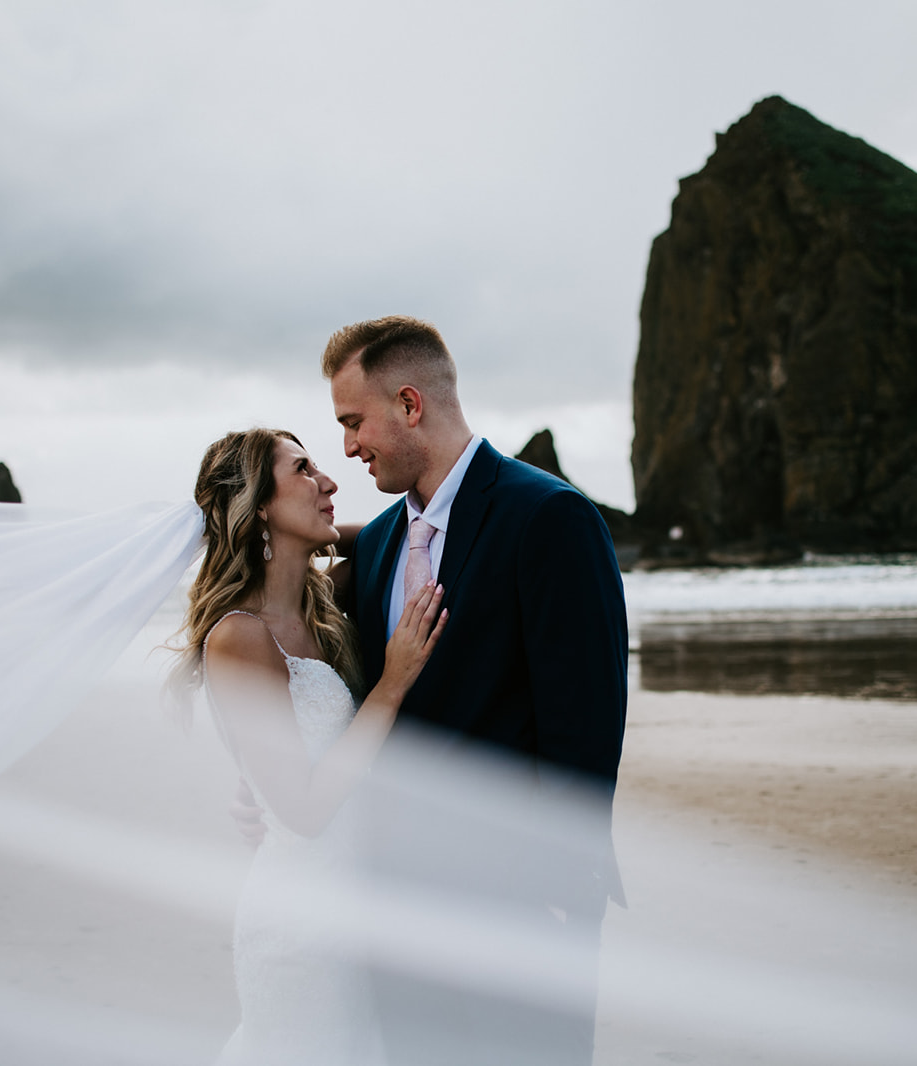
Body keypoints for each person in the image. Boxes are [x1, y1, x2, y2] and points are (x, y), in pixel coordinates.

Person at [323, 315, 628, 1066]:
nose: (348, 446)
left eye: (354, 422)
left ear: (409, 404)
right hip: (393, 902)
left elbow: (585, 720)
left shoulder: (549, 516)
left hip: (518, 902)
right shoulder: (383, 542)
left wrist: (563, 878)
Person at [172, 428, 447, 1066]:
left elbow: (395, 529)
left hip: (361, 911)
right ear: (260, 505)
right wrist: (393, 681)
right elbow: (303, 810)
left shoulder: (325, 604)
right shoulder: (238, 637)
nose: (328, 483)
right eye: (304, 470)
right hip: (300, 927)